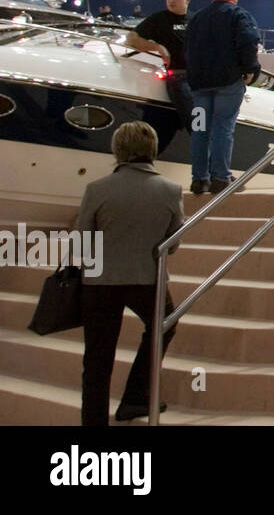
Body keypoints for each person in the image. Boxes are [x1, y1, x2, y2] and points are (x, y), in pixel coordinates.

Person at [75, 121, 183, 425]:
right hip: (147, 280)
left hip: (100, 283)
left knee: (97, 358)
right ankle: (136, 398)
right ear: (152, 149)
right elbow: (172, 245)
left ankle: (93, 422)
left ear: (117, 149)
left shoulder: (96, 189)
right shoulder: (170, 190)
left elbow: (82, 242)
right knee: (164, 327)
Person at [185, 0, 260, 195]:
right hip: (228, 83)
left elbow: (187, 50)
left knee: (199, 130)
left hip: (199, 87)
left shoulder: (197, 18)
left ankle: (199, 179)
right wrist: (250, 70)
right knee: (223, 128)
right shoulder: (238, 15)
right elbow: (248, 42)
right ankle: (220, 177)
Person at [127, 0, 193, 134]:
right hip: (178, 78)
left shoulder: (196, 20)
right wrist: (157, 48)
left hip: (199, 79)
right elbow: (131, 39)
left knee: (203, 119)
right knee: (197, 123)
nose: (171, 0)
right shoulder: (158, 19)